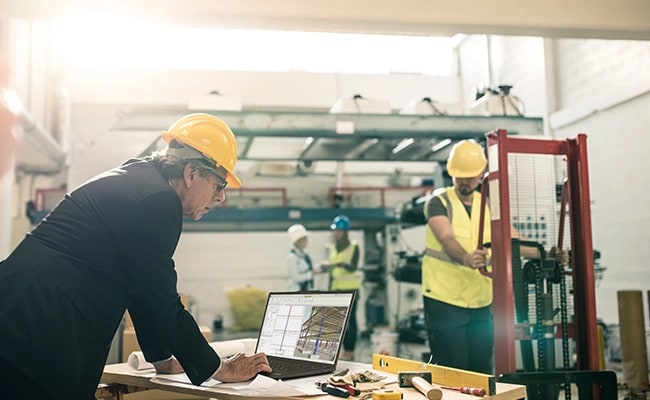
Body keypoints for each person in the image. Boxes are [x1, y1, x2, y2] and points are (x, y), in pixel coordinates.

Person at [0, 113, 271, 399]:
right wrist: (220, 369)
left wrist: (162, 359)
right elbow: (160, 299)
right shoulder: (158, 201)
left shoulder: (142, 181)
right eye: (219, 185)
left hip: (23, 319)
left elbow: (142, 289)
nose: (221, 198)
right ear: (191, 173)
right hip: (34, 330)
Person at [420, 139, 494, 374]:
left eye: (471, 176)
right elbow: (447, 238)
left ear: (481, 174)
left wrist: (545, 251)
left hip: (481, 300)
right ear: (451, 173)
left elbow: (512, 239)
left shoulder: (490, 204)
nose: (465, 181)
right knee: (453, 370)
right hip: (445, 300)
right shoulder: (438, 202)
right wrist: (466, 259)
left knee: (481, 370)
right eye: (460, 176)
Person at [321, 214, 360, 361]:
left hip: (351, 290)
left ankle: (349, 350)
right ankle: (337, 350)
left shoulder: (353, 247)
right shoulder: (332, 248)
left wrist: (338, 264)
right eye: (335, 230)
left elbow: (353, 267)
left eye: (338, 230)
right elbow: (332, 270)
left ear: (344, 231)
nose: (336, 233)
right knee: (336, 322)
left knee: (350, 322)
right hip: (336, 289)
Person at [286, 224, 314, 291]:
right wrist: (311, 274)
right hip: (296, 292)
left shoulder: (304, 255)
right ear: (297, 241)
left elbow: (307, 269)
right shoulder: (292, 257)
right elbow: (296, 278)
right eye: (304, 238)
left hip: (306, 291)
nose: (306, 240)